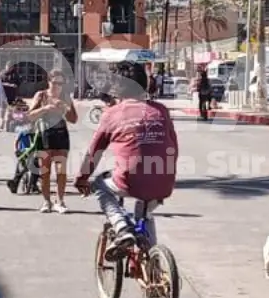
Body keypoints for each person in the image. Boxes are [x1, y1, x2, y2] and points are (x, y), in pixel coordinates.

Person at [76, 61, 179, 258]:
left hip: (129, 181)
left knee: (100, 184)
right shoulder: (161, 110)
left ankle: (121, 227)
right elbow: (174, 146)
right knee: (146, 211)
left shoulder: (112, 114)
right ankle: (152, 263)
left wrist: (81, 179)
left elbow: (94, 152)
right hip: (164, 180)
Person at [27, 68, 78, 213]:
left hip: (61, 135)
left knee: (61, 171)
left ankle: (60, 201)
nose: (57, 86)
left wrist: (66, 108)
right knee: (45, 171)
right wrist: (45, 108)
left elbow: (74, 119)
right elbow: (29, 115)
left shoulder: (65, 97)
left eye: (61, 83)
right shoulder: (41, 95)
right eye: (55, 82)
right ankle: (46, 201)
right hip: (45, 135)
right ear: (49, 81)